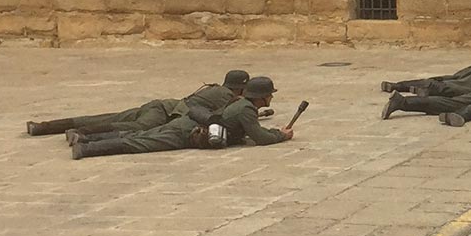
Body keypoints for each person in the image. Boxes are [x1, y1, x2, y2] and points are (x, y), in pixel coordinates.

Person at [70, 76, 293, 159]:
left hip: (187, 122)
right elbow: (261, 137)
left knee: (139, 134)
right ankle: (87, 149)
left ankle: (87, 140)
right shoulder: (246, 109)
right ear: (262, 98)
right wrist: (280, 135)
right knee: (141, 142)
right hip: (187, 132)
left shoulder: (240, 103)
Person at [25, 70, 251, 137]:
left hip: (161, 105)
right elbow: (219, 118)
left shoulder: (216, 90)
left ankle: (43, 127)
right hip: (165, 112)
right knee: (139, 128)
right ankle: (82, 132)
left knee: (109, 117)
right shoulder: (224, 96)